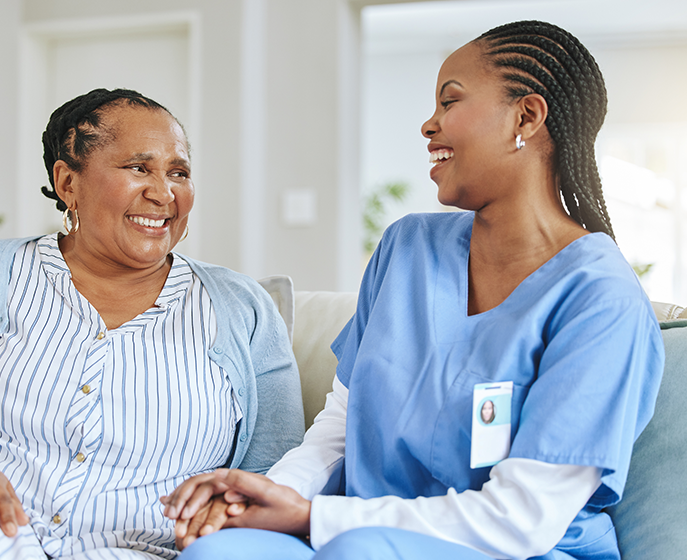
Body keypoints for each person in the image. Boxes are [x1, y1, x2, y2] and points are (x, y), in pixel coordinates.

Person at [161, 20, 665, 560]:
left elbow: (522, 521)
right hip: (351, 532)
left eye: (450, 102)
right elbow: (341, 423)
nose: (429, 125)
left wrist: (317, 518)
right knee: (221, 553)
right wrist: (267, 499)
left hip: (513, 550)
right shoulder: (408, 248)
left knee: (363, 553)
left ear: (527, 116)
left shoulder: (600, 298)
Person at [0, 88, 304, 560]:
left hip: (139, 550)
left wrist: (225, 509)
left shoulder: (243, 309)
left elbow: (277, 470)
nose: (163, 192)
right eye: (138, 168)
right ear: (68, 183)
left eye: (179, 172)